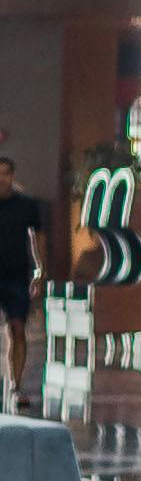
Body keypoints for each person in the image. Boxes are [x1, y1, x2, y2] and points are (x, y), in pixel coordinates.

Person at [0, 147, 41, 416]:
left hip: (16, 273)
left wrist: (40, 268)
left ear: (12, 175)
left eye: (5, 173)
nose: (1, 178)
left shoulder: (26, 205)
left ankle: (16, 383)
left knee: (18, 328)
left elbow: (37, 237)